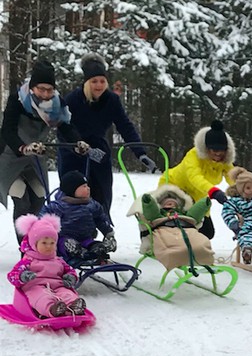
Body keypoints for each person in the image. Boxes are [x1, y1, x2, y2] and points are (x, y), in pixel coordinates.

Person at [0, 60, 88, 242]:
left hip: (35, 160)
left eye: (50, 90)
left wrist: (77, 142)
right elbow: (7, 131)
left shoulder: (57, 105)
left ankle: (35, 243)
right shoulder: (17, 100)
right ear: (32, 88)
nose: (46, 94)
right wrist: (23, 147)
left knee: (40, 199)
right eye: (41, 89)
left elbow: (66, 128)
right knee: (22, 199)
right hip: (9, 157)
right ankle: (25, 250)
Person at [58, 53, 155, 217]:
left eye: (102, 81)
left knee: (101, 197)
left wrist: (140, 153)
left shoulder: (111, 100)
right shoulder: (73, 99)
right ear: (87, 82)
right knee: (73, 198)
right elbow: (63, 128)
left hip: (98, 153)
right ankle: (70, 233)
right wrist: (77, 146)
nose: (99, 85)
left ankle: (103, 233)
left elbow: (125, 126)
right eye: (94, 81)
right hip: (73, 153)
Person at [158, 120, 235, 239]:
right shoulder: (193, 156)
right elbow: (195, 177)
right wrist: (214, 191)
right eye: (214, 150)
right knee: (185, 225)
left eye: (222, 150)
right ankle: (176, 246)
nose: (218, 154)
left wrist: (242, 190)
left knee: (207, 233)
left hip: (199, 194)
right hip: (176, 189)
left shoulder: (224, 161)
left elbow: (232, 175)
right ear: (207, 149)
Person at [8, 214, 86, 317]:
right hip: (35, 287)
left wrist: (70, 277)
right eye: (44, 243)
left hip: (58, 286)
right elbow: (12, 275)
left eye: (52, 243)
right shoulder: (27, 261)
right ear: (34, 244)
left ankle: (73, 307)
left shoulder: (58, 261)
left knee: (68, 294)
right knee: (41, 297)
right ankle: (52, 310)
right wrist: (23, 276)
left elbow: (70, 271)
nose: (48, 246)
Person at [39, 171, 116, 264]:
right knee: (68, 244)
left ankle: (97, 251)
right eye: (84, 186)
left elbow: (100, 220)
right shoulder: (59, 206)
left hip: (85, 239)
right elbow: (42, 220)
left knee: (93, 245)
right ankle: (78, 251)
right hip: (63, 239)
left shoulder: (92, 205)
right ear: (72, 190)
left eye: (87, 185)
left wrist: (108, 233)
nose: (88, 188)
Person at [139, 184, 215, 271]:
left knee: (199, 243)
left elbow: (194, 214)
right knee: (172, 245)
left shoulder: (183, 213)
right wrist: (148, 202)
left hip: (186, 228)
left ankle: (202, 254)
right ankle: (179, 255)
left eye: (172, 202)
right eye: (166, 202)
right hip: (164, 229)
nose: (170, 203)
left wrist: (204, 203)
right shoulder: (159, 214)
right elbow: (151, 212)